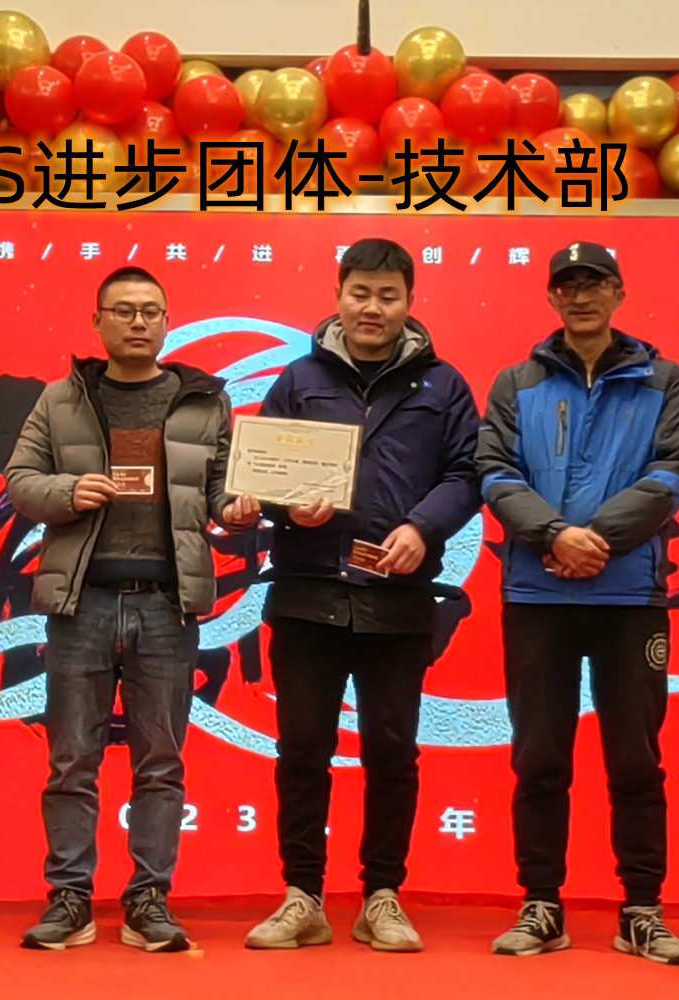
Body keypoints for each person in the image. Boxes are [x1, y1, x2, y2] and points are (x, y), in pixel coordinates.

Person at [5, 266, 259, 954]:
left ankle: (150, 899)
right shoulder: (62, 399)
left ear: (168, 321)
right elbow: (20, 481)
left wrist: (237, 510)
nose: (138, 321)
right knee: (70, 761)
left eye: (150, 310)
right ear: (97, 322)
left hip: (165, 606)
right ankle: (69, 897)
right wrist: (67, 492)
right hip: (79, 603)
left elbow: (221, 492)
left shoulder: (203, 402)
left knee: (161, 764)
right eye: (123, 310)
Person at [243, 238, 482, 953]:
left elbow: (467, 473)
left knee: (392, 751)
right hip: (306, 592)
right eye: (360, 293)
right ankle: (302, 896)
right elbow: (262, 474)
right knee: (302, 749)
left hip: (397, 595)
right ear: (338, 295)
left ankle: (383, 895)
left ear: (409, 302)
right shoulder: (298, 379)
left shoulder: (443, 385)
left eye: (387, 295)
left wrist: (422, 526)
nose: (371, 307)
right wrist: (288, 507)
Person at [477, 242, 679, 964]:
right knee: (539, 756)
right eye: (566, 286)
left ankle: (642, 910)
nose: (579, 296)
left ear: (618, 292)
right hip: (535, 593)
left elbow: (674, 472)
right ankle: (541, 905)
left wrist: (594, 539)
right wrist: (552, 535)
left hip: (629, 594)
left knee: (635, 758)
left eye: (593, 283)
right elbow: (493, 472)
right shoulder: (517, 382)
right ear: (552, 298)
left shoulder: (664, 379)